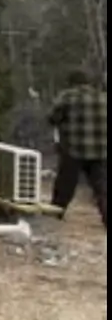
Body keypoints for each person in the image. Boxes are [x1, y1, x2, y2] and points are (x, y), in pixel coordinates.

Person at [48, 69, 106, 229]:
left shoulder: (67, 97)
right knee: (102, 187)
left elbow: (52, 118)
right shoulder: (102, 97)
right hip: (100, 151)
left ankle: (55, 214)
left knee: (65, 184)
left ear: (71, 83)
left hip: (73, 149)